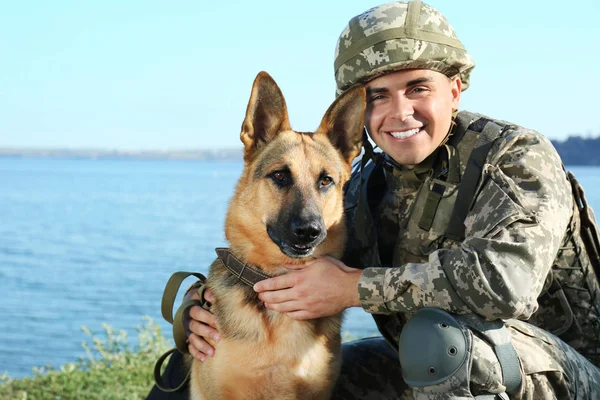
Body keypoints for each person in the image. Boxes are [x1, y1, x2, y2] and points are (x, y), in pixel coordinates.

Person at [148, 1, 600, 399]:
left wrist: (351, 288)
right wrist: (200, 309)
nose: (399, 113)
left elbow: (505, 285)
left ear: (455, 88)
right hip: (432, 365)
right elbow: (296, 264)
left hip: (562, 371)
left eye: (417, 88)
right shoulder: (366, 182)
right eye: (379, 96)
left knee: (441, 343)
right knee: (280, 374)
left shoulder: (515, 157)